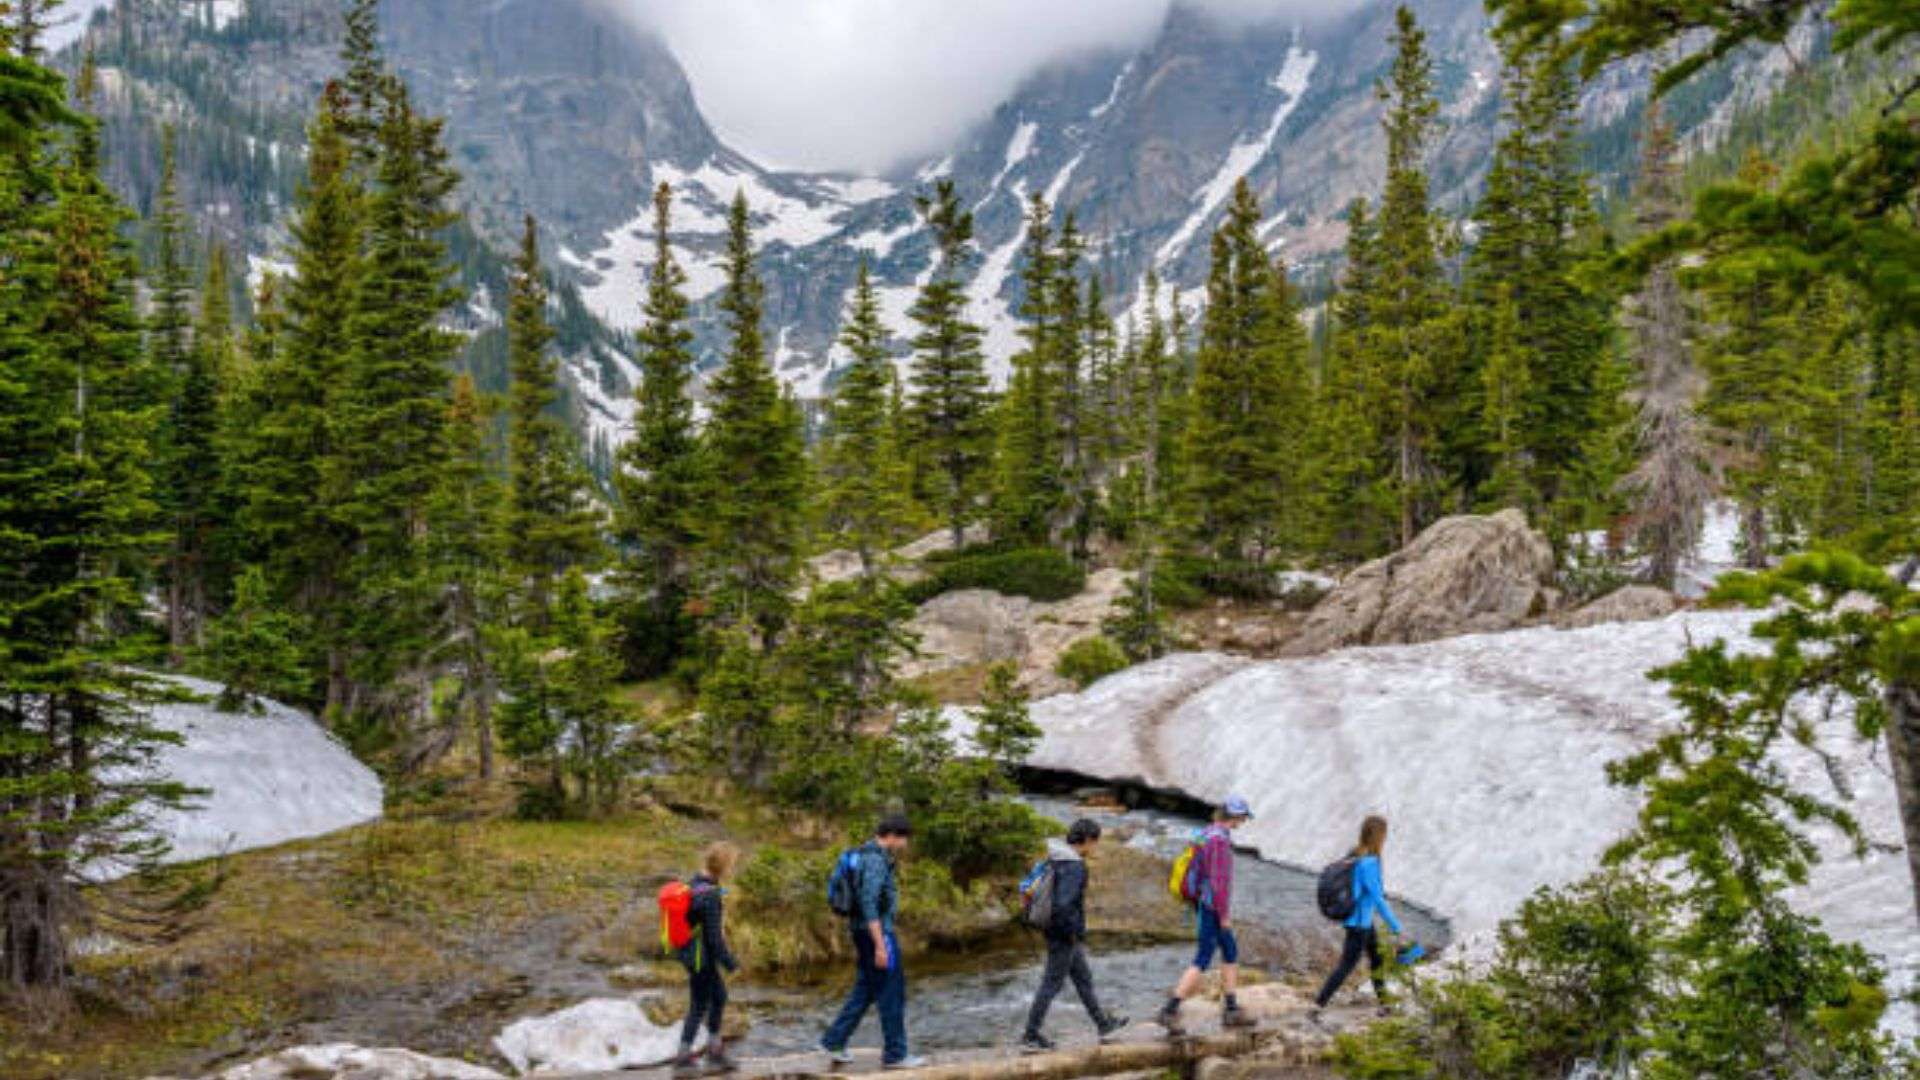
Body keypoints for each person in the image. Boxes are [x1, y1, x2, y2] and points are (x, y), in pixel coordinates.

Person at [821, 815, 927, 1070]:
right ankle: (895, 1054)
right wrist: (880, 945)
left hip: (863, 933)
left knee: (867, 988)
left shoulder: (864, 854)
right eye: (903, 839)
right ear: (891, 836)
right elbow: (869, 904)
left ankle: (835, 1040)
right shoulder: (875, 861)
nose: (904, 844)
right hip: (876, 934)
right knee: (892, 993)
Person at [1020, 819, 1130, 1053]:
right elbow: (1063, 904)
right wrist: (1071, 933)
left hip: (1057, 930)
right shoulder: (1074, 866)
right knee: (1051, 984)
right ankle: (1031, 1034)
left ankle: (1104, 1025)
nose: (1095, 848)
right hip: (1063, 934)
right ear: (1088, 840)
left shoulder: (1057, 858)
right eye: (1095, 842)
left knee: (1083, 979)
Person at [1157, 796, 1256, 1034]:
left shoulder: (1206, 833)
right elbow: (1218, 883)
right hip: (1212, 907)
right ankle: (1169, 1009)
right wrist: (1223, 915)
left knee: (1230, 951)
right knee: (1203, 958)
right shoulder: (1220, 841)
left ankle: (1231, 1008)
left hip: (1203, 903)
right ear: (1234, 816)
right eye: (1242, 817)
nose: (1243, 821)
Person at [1312, 815, 1402, 1018]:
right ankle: (1317, 1005)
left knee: (1377, 960)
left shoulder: (1355, 854)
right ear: (1379, 836)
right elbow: (1378, 898)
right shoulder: (1369, 863)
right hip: (1359, 924)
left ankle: (1385, 1005)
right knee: (1346, 966)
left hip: (1363, 922)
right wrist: (1395, 926)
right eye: (1384, 834)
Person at [673, 842, 742, 1075]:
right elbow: (713, 938)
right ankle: (686, 1057)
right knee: (701, 1004)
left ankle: (712, 1051)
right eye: (731, 864)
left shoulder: (695, 883)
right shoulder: (710, 895)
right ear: (723, 866)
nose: (732, 868)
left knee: (717, 997)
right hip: (702, 957)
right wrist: (730, 963)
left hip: (690, 953)